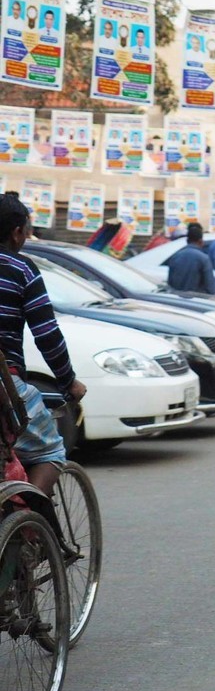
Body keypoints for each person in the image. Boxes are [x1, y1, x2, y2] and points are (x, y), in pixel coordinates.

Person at [0, 194, 87, 498]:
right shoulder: (20, 269)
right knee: (49, 450)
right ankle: (29, 530)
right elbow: (47, 335)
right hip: (4, 385)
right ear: (16, 233)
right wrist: (68, 382)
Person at [166, 223, 215, 294]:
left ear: (187, 241)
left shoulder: (175, 257)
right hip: (196, 300)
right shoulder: (204, 258)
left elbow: (170, 282)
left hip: (177, 300)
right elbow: (210, 286)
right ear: (201, 241)